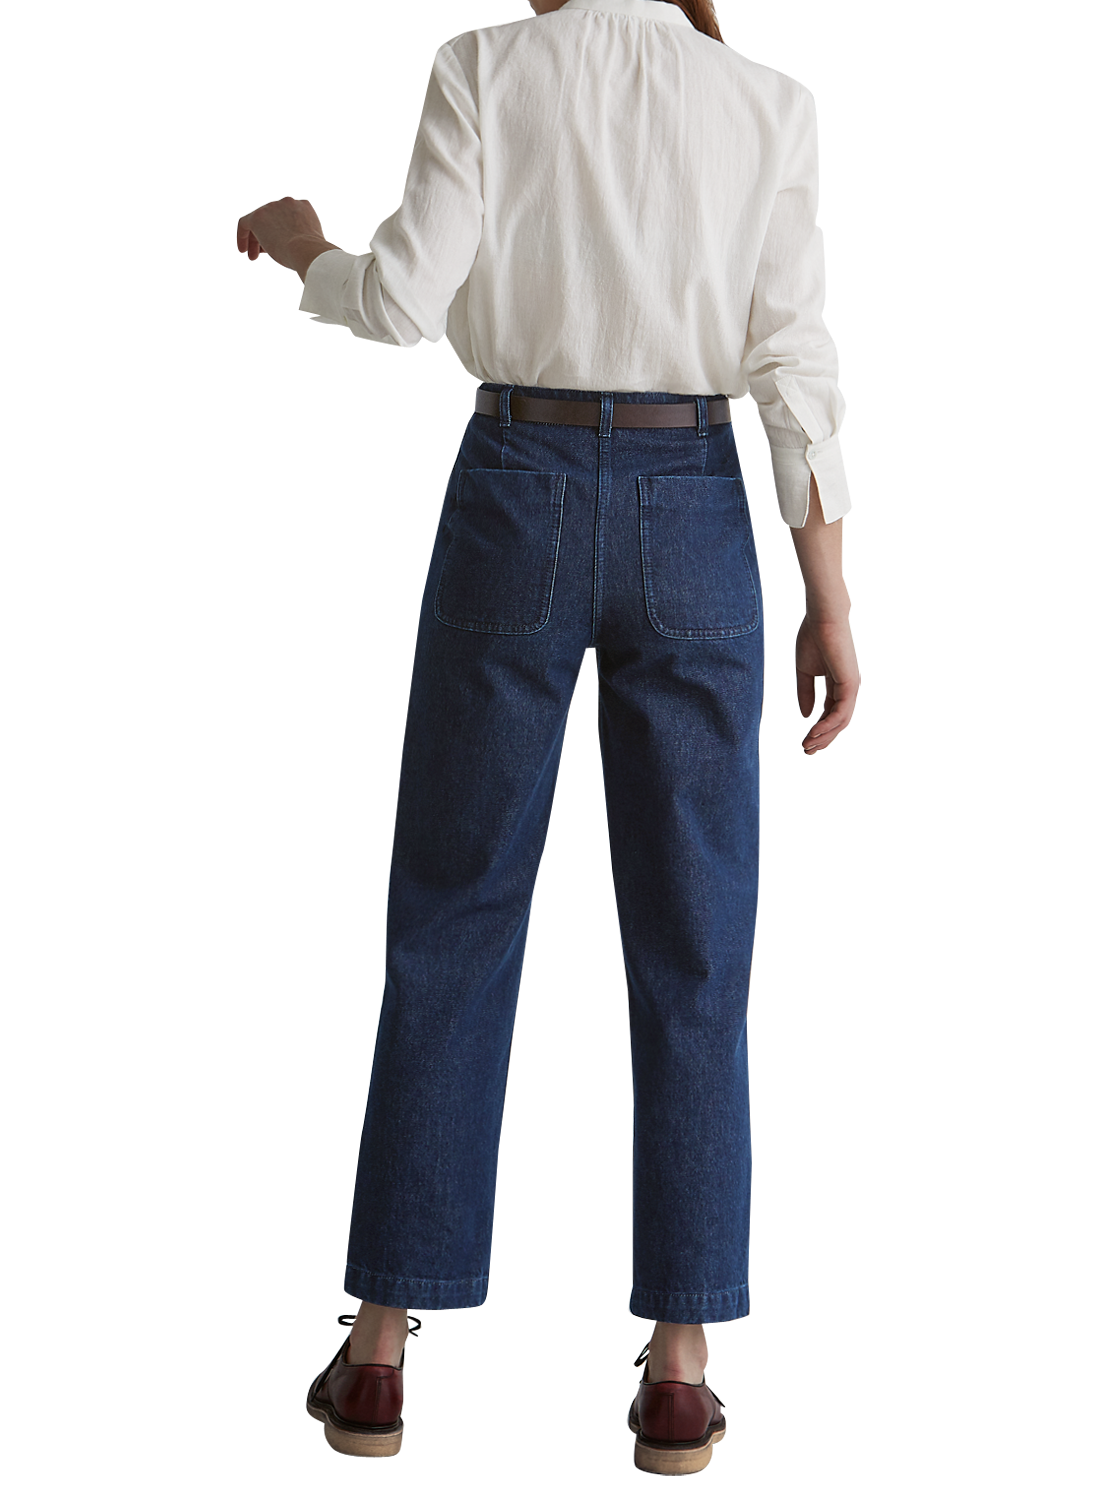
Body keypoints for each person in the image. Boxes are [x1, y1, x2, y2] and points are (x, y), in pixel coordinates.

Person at [236, 0, 859, 1477]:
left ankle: (380, 1348)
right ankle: (682, 1371)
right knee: (698, 943)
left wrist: (308, 250)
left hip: (517, 482)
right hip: (695, 503)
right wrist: (830, 597)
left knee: (453, 918)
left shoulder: (482, 70)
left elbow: (401, 301)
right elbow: (796, 362)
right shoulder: (766, 103)